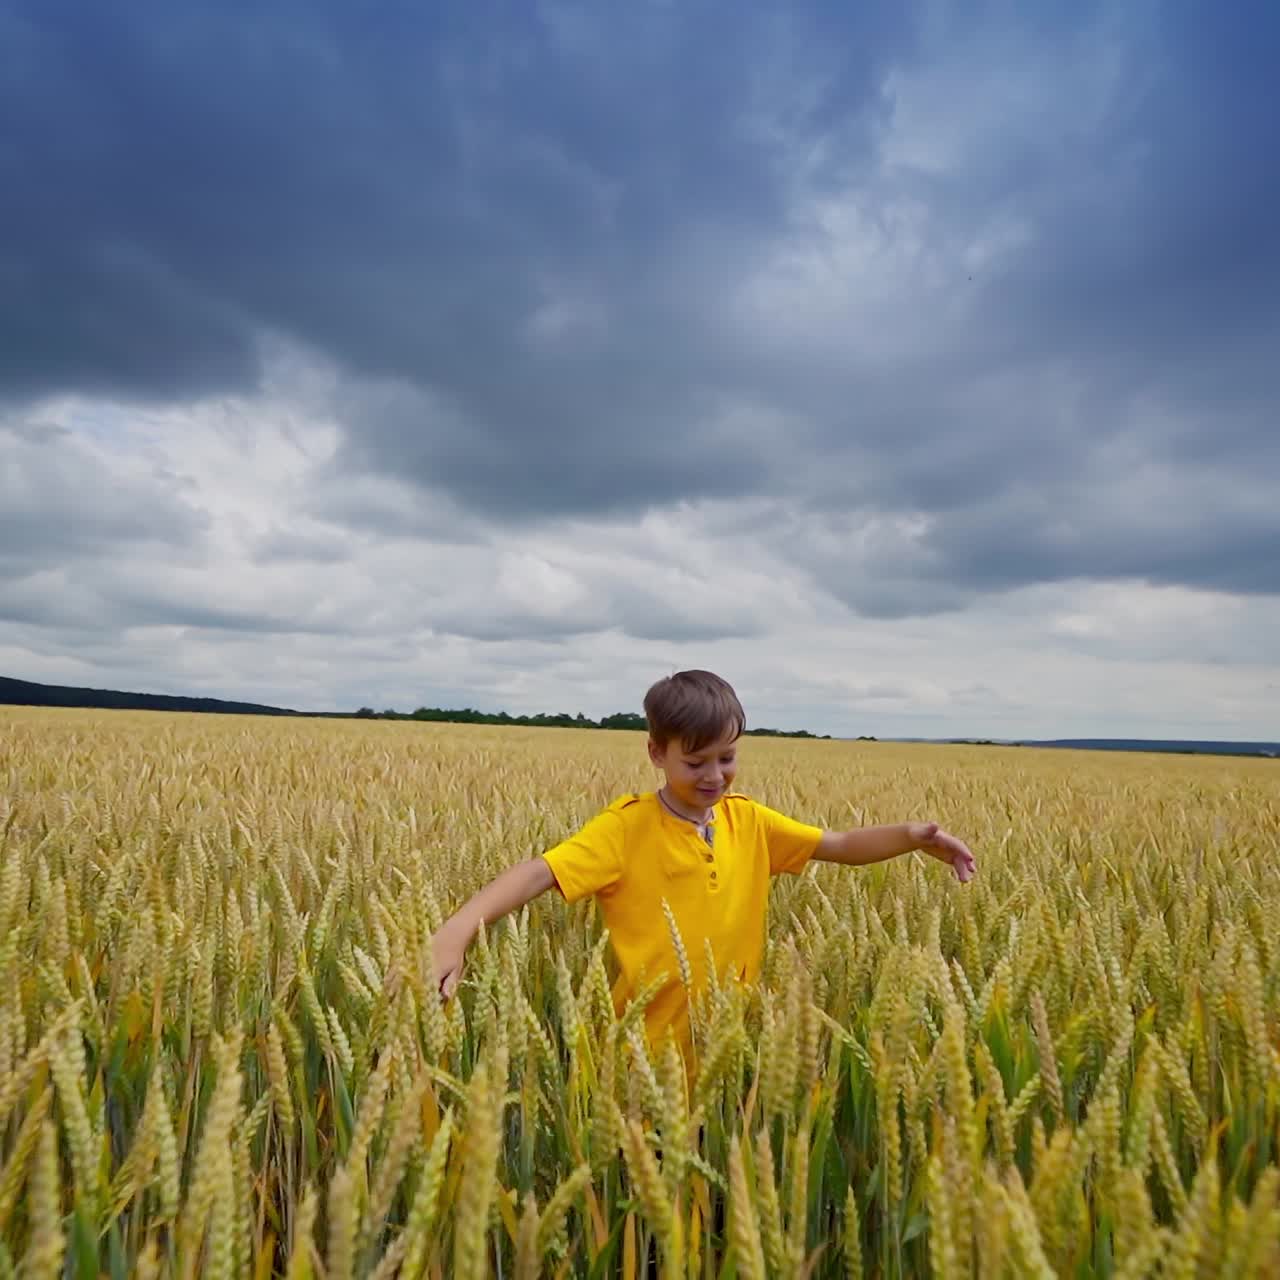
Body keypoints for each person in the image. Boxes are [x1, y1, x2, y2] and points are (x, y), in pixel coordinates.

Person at [430, 669, 976, 1064]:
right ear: (656, 754)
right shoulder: (625, 828)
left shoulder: (749, 822)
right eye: (695, 762)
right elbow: (539, 873)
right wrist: (456, 931)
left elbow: (838, 844)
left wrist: (909, 837)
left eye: (727, 757)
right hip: (641, 1054)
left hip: (731, 1048)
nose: (715, 775)